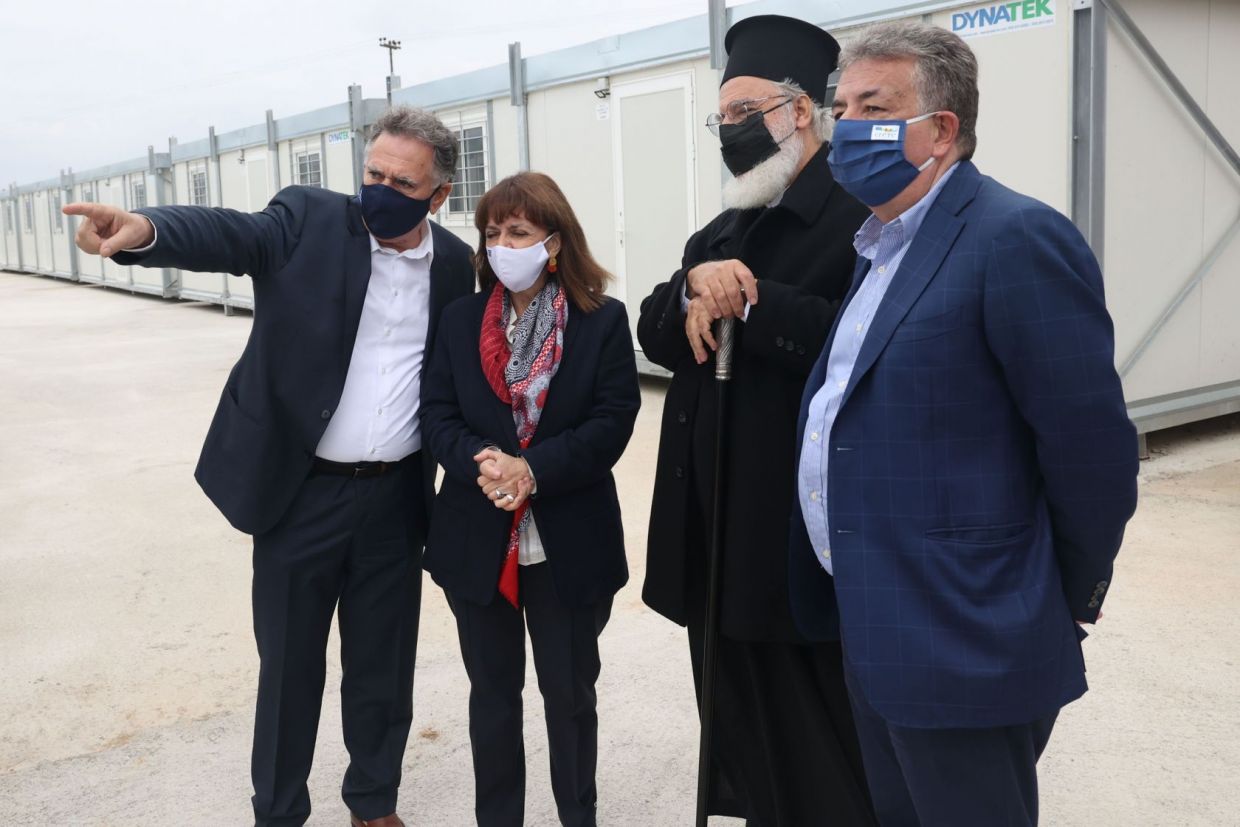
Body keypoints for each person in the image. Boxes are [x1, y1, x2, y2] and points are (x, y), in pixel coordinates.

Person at [64, 106, 476, 827]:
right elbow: (233, 234)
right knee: (289, 667)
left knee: (383, 667)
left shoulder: (451, 264)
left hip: (396, 500)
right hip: (302, 494)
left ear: (439, 195)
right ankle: (279, 811)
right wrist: (147, 229)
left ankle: (373, 801)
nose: (379, 190)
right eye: (373, 173)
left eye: (401, 183)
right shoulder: (308, 220)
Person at [791, 21, 1140, 826]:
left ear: (941, 129)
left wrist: (1059, 597)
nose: (845, 127)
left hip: (966, 632)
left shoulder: (1013, 238)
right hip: (872, 619)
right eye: (841, 108)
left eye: (873, 107)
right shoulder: (879, 248)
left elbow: (1090, 448)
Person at [637, 14, 875, 827]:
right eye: (721, 119)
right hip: (713, 534)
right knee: (738, 729)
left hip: (789, 539)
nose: (730, 132)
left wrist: (754, 299)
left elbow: (857, 341)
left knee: (815, 745)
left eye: (744, 113)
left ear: (801, 111)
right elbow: (656, 333)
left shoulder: (858, 217)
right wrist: (690, 286)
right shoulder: (724, 226)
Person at [419, 172, 640, 827]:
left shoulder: (601, 320)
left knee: (568, 696)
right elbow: (437, 412)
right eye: (492, 233)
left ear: (554, 241)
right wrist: (483, 461)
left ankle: (578, 814)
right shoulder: (461, 320)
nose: (501, 246)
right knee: (492, 696)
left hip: (567, 539)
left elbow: (612, 419)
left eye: (518, 232)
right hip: (477, 534)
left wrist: (533, 469)